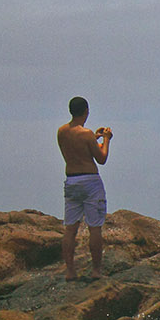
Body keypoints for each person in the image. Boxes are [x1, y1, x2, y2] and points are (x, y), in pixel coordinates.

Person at [56, 96, 112, 280]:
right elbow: (101, 158)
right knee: (94, 228)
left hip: (71, 180)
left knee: (70, 229)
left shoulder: (61, 132)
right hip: (90, 181)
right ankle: (96, 271)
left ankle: (70, 271)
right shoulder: (86, 133)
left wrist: (93, 138)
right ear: (86, 111)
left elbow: (76, 147)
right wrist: (106, 139)